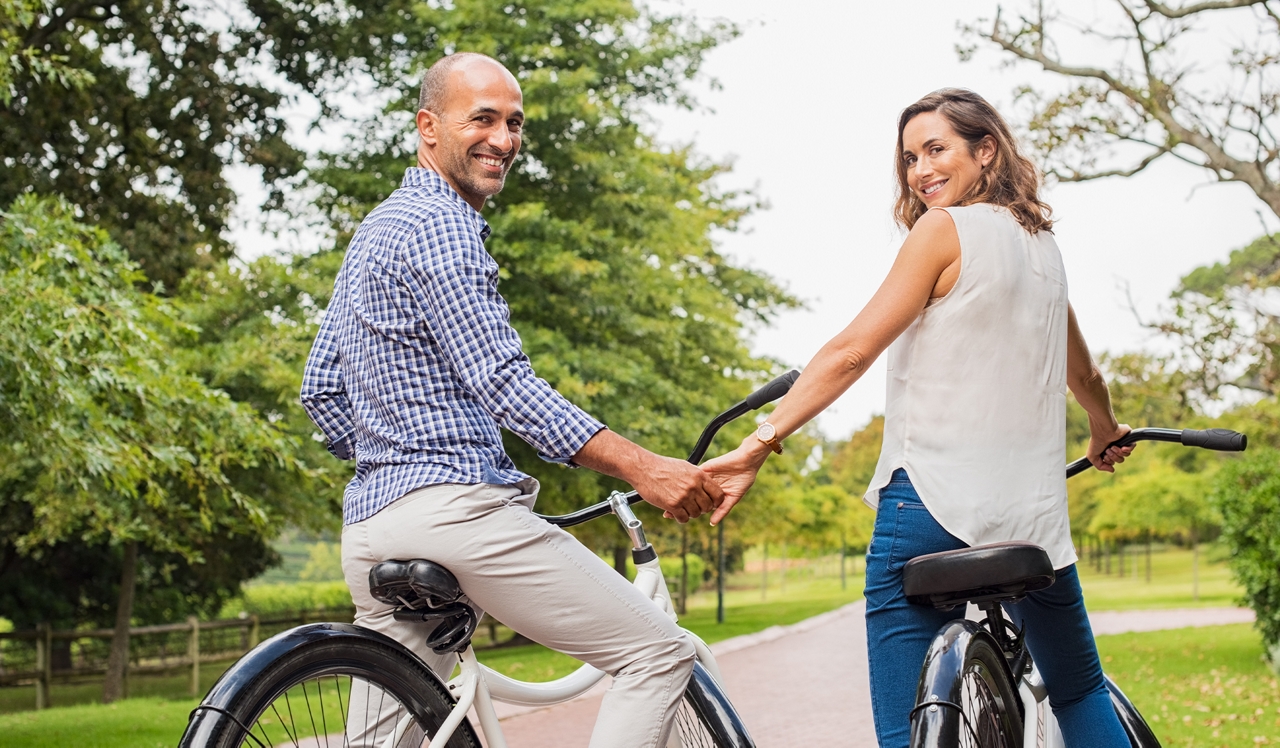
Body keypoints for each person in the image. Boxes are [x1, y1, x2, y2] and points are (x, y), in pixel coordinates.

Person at [300, 52, 724, 748]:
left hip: (373, 527)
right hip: (456, 516)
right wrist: (645, 468)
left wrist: (396, 456)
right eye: (484, 119)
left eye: (515, 123)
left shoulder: (375, 230)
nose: (504, 139)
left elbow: (321, 389)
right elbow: (503, 382)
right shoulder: (442, 225)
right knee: (658, 653)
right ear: (428, 127)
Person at [701, 88, 1134, 747]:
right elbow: (1086, 377)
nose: (920, 171)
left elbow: (851, 351)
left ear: (985, 149)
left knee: (908, 728)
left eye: (936, 150)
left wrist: (760, 442)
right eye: (909, 158)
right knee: (1077, 691)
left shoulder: (943, 231)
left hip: (926, 508)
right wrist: (1106, 430)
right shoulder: (1045, 250)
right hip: (1033, 521)